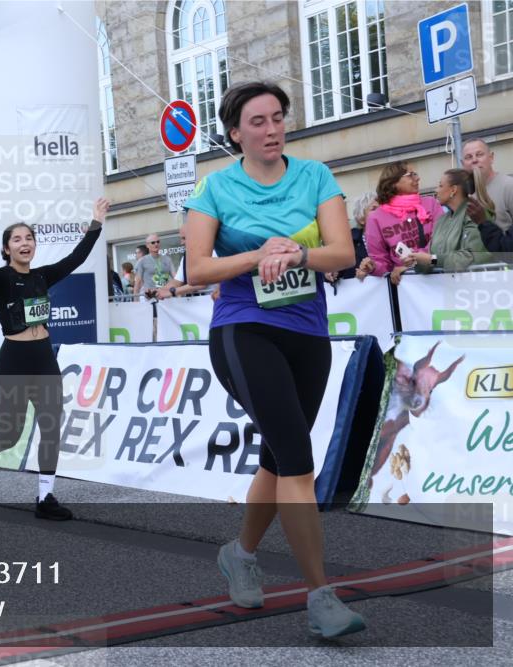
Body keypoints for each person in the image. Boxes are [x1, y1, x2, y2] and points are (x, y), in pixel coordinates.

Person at [184, 81, 365, 638]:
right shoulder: (214, 188)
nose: (271, 129)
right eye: (257, 122)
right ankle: (320, 596)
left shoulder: (314, 177)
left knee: (276, 458)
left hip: (307, 330)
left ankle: (239, 553)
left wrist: (298, 252)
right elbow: (196, 269)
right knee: (297, 459)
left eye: (278, 118)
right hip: (243, 330)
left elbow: (344, 251)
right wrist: (256, 254)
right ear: (235, 133)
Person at [0, 197, 110, 521]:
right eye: (17, 239)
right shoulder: (0, 278)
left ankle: (45, 497)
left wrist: (96, 223)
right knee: (10, 433)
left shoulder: (42, 276)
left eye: (29, 238)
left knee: (51, 427)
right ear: (7, 249)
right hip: (14, 360)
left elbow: (76, 257)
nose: (25, 243)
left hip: (44, 358)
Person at [357, 162, 444, 285]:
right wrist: (372, 267)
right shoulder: (375, 218)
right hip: (406, 289)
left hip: (439, 276)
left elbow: (442, 243)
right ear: (393, 183)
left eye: (416, 174)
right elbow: (382, 262)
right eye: (411, 175)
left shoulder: (431, 204)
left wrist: (413, 266)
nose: (417, 178)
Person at [408, 169, 491, 273]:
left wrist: (431, 260)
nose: (436, 190)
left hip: (472, 287)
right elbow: (432, 259)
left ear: (453, 190)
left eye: (441, 186)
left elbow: (474, 256)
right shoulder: (441, 220)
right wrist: (416, 261)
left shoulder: (475, 215)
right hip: (445, 287)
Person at [461, 138, 513, 232]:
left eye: (479, 154)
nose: (474, 160)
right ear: (462, 164)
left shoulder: (508, 186)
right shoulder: (466, 195)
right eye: (468, 157)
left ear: (491, 157)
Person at [329, 192, 375, 281]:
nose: (380, 213)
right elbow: (335, 272)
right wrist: (332, 273)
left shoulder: (392, 238)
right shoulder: (349, 242)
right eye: (374, 209)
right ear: (361, 218)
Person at [132, 233, 174, 299]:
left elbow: (176, 278)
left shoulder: (167, 259)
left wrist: (179, 295)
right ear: (147, 245)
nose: (156, 244)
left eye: (158, 242)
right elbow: (137, 284)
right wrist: (136, 303)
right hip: (150, 299)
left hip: (166, 298)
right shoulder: (142, 261)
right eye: (153, 242)